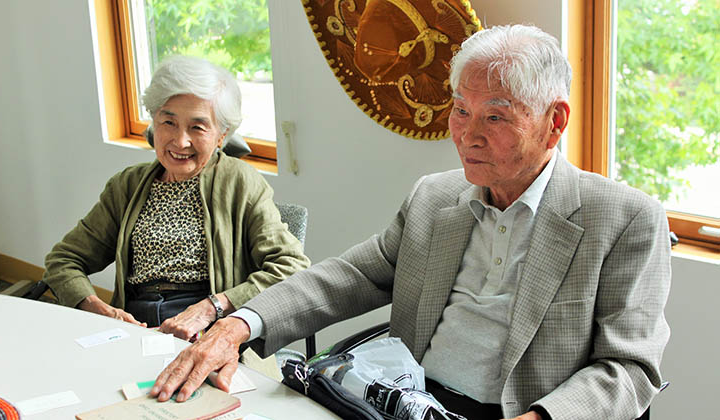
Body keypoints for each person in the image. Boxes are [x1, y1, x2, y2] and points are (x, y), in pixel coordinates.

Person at [151, 25, 671, 420]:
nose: (467, 134)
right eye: (460, 110)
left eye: (495, 116)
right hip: (406, 399)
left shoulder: (623, 220)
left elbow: (628, 368)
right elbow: (349, 277)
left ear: (554, 122)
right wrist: (239, 324)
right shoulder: (434, 197)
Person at [42, 56, 310, 351]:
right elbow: (64, 260)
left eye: (198, 127)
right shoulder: (127, 185)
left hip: (207, 328)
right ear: (154, 123)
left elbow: (291, 267)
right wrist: (96, 308)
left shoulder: (241, 181)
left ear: (221, 135)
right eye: (168, 122)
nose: (180, 141)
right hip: (133, 328)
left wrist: (212, 308)